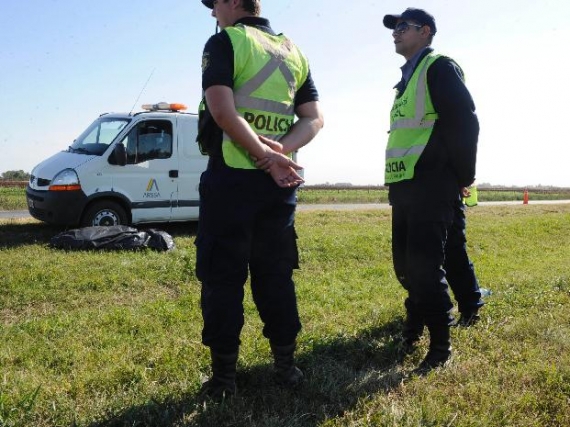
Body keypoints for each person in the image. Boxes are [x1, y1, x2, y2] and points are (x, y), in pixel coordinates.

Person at [196, 0, 324, 399]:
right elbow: (314, 118)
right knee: (275, 275)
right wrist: (279, 154)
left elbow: (221, 110)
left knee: (222, 277)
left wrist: (264, 155)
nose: (212, 13)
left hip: (231, 180)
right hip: (278, 186)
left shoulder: (226, 42)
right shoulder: (293, 51)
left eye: (215, 4)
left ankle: (223, 380)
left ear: (234, 2)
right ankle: (286, 368)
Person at [382, 8, 480, 373]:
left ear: (425, 32)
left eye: (402, 27)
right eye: (394, 29)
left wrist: (463, 175)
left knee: (423, 265)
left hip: (432, 182)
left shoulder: (438, 67)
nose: (395, 33)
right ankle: (416, 322)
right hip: (405, 183)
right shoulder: (406, 79)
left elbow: (465, 121)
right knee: (406, 265)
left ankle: (440, 347)